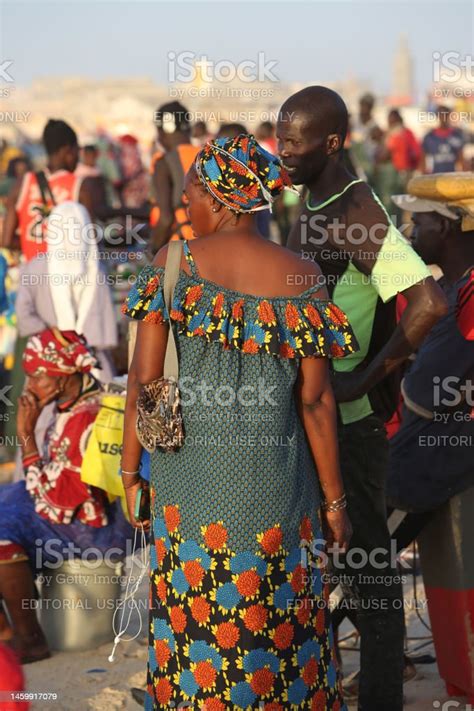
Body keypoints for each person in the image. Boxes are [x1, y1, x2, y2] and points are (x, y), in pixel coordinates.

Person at [122, 134, 358, 709]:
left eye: (190, 198)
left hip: (190, 498)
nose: (184, 210)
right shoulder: (303, 277)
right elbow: (316, 402)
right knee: (283, 641)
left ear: (223, 200)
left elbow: (144, 382)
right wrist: (335, 503)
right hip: (281, 497)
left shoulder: (172, 266)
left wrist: (131, 472)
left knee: (195, 638)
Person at [277, 85, 448, 711]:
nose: (283, 152)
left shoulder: (354, 210)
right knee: (341, 570)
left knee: (373, 587)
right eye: (279, 139)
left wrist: (362, 378)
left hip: (349, 424)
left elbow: (429, 302)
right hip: (319, 419)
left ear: (331, 143)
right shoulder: (315, 198)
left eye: (294, 142)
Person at [0, 328, 133, 663]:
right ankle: (8, 630)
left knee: (2, 534)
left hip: (98, 530)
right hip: (77, 510)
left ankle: (30, 640)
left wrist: (26, 435)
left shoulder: (86, 417)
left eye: (37, 378)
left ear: (62, 376)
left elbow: (58, 505)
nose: (29, 386)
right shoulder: (73, 402)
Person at [387, 173, 474, 517]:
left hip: (436, 459)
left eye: (417, 222)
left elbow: (422, 395)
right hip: (441, 451)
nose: (410, 233)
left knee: (366, 547)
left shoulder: (464, 298)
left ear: (443, 227)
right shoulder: (451, 287)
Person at [15, 201, 118, 381]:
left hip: (82, 366)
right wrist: (57, 340)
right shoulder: (97, 269)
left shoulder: (96, 269)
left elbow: (23, 314)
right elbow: (24, 314)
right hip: (53, 366)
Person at [1, 119, 106, 260]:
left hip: (31, 273)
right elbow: (91, 241)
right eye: (76, 151)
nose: (77, 158)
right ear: (67, 150)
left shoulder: (22, 183)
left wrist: (36, 248)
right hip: (66, 274)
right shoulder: (80, 187)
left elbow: (6, 241)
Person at [149, 102, 200, 251]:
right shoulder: (209, 156)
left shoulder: (163, 163)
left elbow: (165, 219)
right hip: (210, 246)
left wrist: (153, 252)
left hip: (178, 249)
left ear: (163, 130)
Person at [421, 106, 465, 174]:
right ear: (437, 116)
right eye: (441, 114)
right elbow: (423, 159)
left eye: (446, 114)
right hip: (435, 177)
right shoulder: (429, 137)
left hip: (452, 177)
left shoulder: (456, 135)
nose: (443, 117)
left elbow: (461, 159)